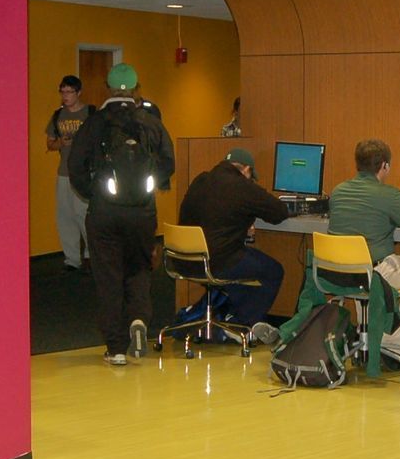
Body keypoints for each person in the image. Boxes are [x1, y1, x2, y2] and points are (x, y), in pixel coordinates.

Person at [265, 139, 400, 358]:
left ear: (357, 164)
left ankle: (368, 342)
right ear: (385, 166)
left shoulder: (339, 191)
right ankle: (385, 346)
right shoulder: (389, 195)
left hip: (336, 274)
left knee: (366, 282)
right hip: (373, 274)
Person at [67, 63, 175, 366]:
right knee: (139, 268)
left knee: (108, 276)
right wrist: (148, 187)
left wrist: (95, 193)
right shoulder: (151, 123)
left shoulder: (95, 122)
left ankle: (115, 347)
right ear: (136, 88)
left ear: (108, 87)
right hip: (142, 212)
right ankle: (139, 319)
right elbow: (168, 162)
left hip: (104, 214)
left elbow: (76, 167)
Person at [177, 146, 288, 333]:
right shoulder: (242, 186)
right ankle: (241, 325)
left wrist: (242, 227)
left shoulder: (200, 179)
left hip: (183, 259)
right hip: (217, 262)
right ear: (246, 170)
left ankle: (227, 318)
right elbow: (279, 212)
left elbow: (213, 219)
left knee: (238, 265)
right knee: (273, 271)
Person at [43, 75, 95, 272]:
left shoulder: (90, 113)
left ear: (78, 93)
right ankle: (72, 259)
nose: (65, 96)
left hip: (84, 173)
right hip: (64, 173)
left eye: (69, 92)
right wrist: (60, 144)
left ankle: (91, 255)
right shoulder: (58, 116)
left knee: (84, 214)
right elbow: (49, 143)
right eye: (62, 92)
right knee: (65, 216)